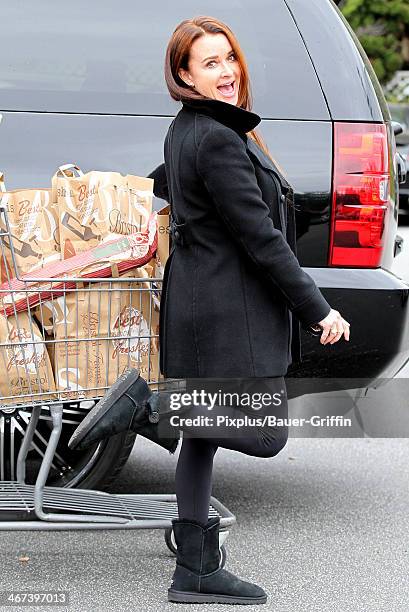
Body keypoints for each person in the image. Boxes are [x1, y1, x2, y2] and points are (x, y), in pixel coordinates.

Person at [68, 16, 350, 605]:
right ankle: (148, 408)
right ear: (184, 75)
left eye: (229, 59)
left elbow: (174, 184)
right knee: (264, 432)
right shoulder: (219, 137)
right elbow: (262, 238)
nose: (226, 73)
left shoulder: (195, 129)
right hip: (231, 309)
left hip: (201, 303)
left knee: (201, 436)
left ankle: (194, 568)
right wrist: (317, 309)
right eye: (209, 63)